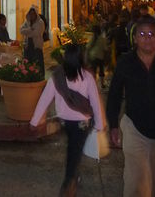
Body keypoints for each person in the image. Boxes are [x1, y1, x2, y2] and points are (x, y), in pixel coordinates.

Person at [106, 15, 155, 197]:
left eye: (151, 34)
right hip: (135, 128)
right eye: (142, 34)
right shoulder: (126, 63)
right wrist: (113, 125)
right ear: (135, 38)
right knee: (136, 182)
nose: (147, 38)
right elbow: (114, 94)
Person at [30, 44, 104, 196]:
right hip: (82, 124)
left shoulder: (57, 77)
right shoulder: (87, 77)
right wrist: (100, 124)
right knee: (74, 151)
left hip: (65, 122)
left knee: (73, 150)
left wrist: (34, 121)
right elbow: (95, 102)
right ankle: (69, 183)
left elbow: (45, 99)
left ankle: (73, 178)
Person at [20, 6, 45, 77]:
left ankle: (39, 78)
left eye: (33, 14)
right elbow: (21, 31)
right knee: (28, 63)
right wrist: (30, 29)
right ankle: (28, 77)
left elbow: (36, 33)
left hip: (36, 46)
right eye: (30, 14)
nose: (32, 15)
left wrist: (27, 32)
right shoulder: (27, 22)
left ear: (36, 14)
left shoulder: (40, 22)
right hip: (27, 46)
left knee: (37, 63)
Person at [86, 24, 108, 89]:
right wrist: (106, 58)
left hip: (93, 57)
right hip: (100, 57)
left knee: (94, 71)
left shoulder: (92, 38)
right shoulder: (103, 39)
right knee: (101, 71)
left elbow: (87, 47)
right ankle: (102, 84)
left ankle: (94, 85)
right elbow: (105, 49)